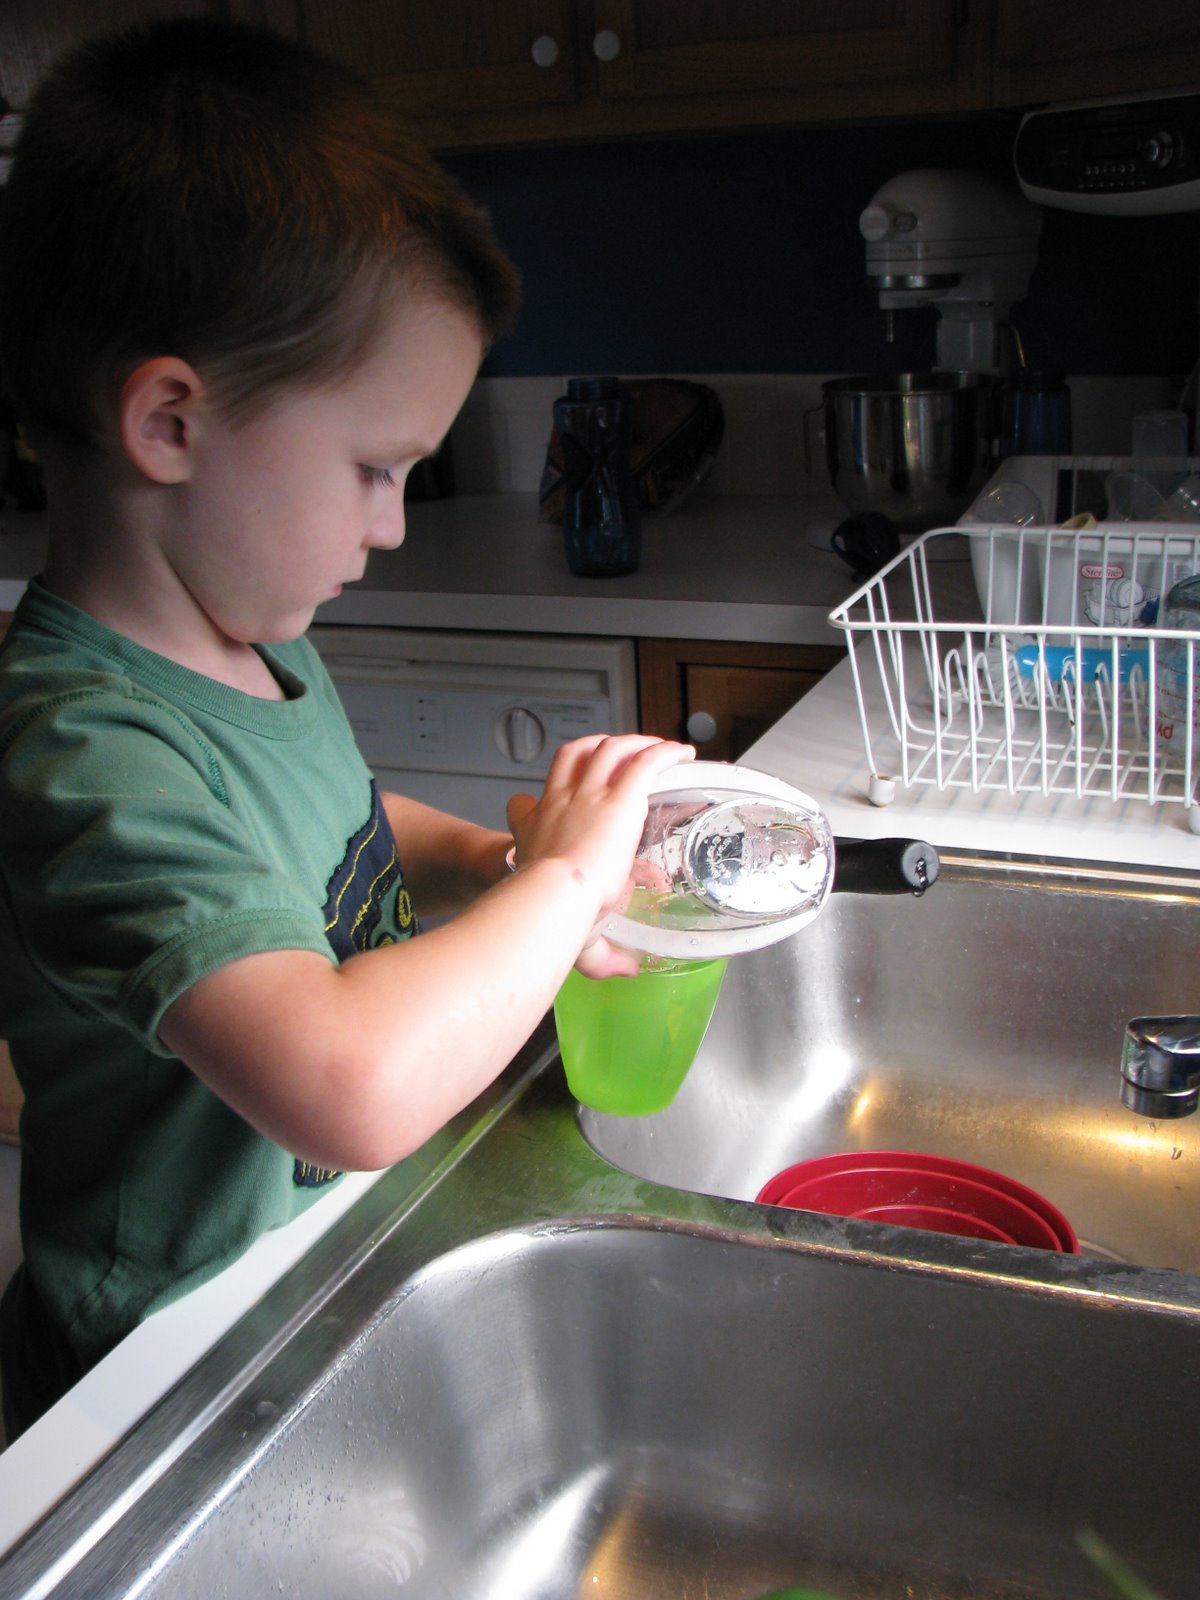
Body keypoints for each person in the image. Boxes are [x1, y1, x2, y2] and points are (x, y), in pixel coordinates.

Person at [0, 16, 691, 1441]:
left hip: (293, 1281)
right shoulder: (85, 753)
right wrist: (560, 893)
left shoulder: (261, 648)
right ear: (171, 424)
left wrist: (487, 875)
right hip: (156, 1374)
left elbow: (348, 845)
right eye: (374, 469)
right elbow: (347, 1085)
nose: (389, 526)